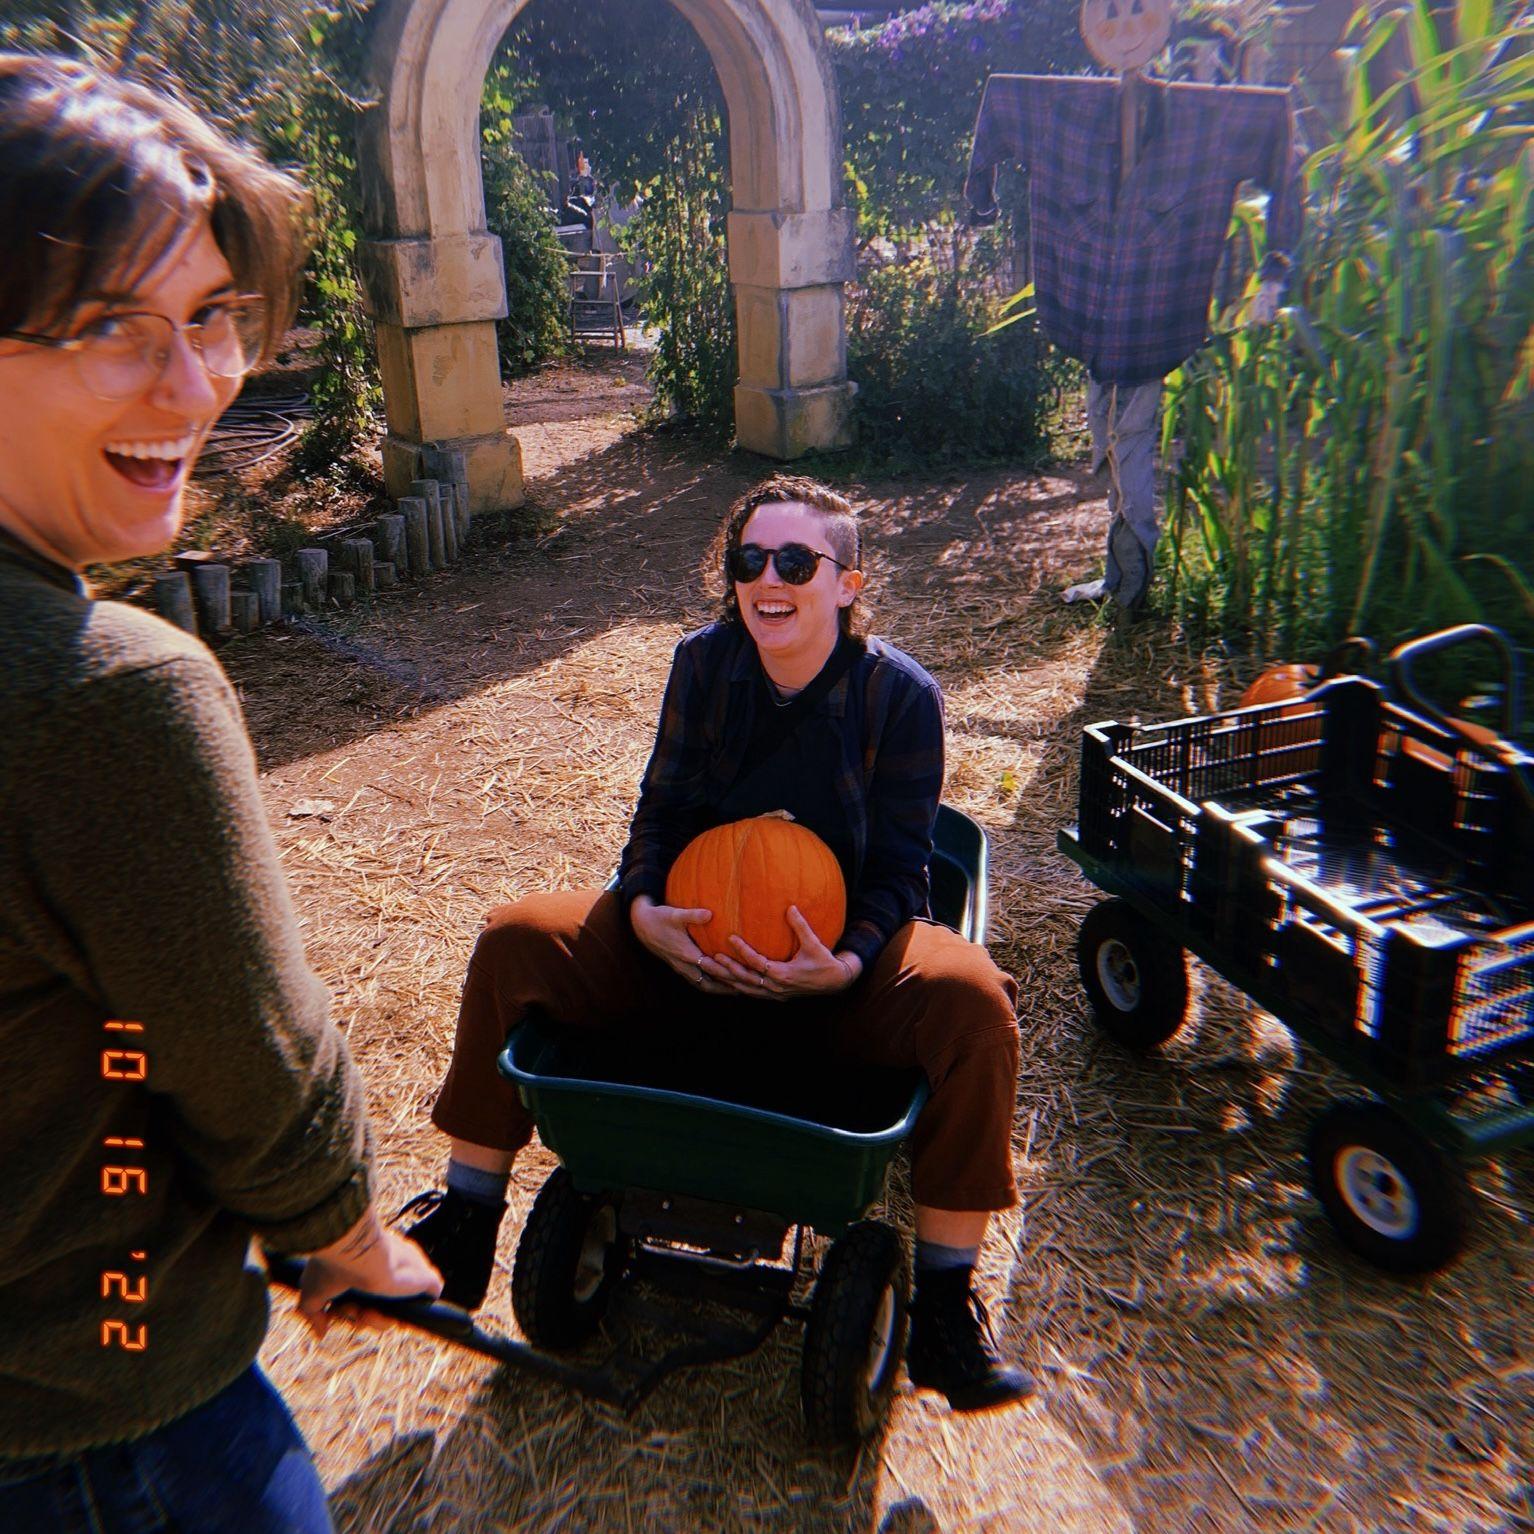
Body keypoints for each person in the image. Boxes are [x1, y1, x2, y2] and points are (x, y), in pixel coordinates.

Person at [0, 53, 440, 1532]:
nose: (196, 388)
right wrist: (345, 1235)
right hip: (101, 1426)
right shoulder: (100, 693)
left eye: (209, 316)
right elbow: (249, 1062)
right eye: (107, 326)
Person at [404, 475, 1032, 1412]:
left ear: (847, 585)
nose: (768, 579)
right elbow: (659, 814)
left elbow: (905, 871)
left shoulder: (897, 697)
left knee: (975, 1005)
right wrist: (644, 911)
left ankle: (944, 1308)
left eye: (796, 561)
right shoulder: (704, 664)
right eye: (750, 559)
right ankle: (463, 1226)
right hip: (688, 956)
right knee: (515, 939)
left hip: (834, 976)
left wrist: (845, 963)